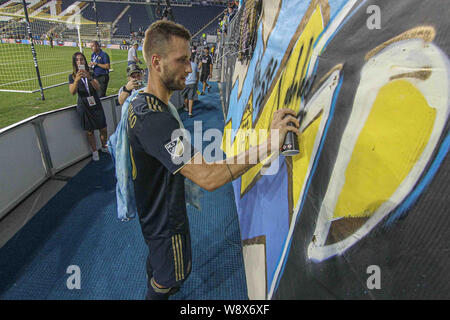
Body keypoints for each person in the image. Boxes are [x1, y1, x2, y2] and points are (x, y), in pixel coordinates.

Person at [126, 20, 299, 300]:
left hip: (152, 218)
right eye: (182, 60)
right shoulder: (156, 121)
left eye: (190, 59)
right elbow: (208, 177)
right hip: (166, 228)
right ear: (156, 62)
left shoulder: (140, 103)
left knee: (157, 271)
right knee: (165, 283)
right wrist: (270, 143)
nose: (190, 68)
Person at [69, 52, 108, 161]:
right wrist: (77, 80)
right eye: (77, 60)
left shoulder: (91, 73)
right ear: (74, 63)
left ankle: (104, 146)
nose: (80, 62)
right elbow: (72, 92)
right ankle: (95, 151)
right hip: (84, 105)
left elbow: (97, 87)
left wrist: (89, 78)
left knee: (103, 128)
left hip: (95, 103)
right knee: (90, 131)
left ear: (85, 61)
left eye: (82, 59)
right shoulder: (72, 76)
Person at [181, 53, 198, 117]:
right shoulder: (195, 65)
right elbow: (197, 74)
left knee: (185, 96)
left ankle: (186, 107)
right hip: (193, 83)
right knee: (191, 98)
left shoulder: (184, 66)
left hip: (186, 83)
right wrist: (196, 83)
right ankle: (190, 113)